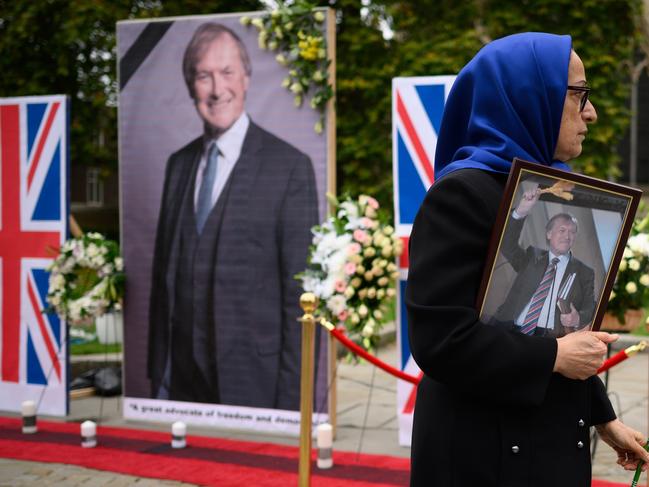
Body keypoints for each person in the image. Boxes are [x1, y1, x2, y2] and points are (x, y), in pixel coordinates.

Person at [406, 33, 649, 486]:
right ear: (528, 96)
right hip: (482, 454)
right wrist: (555, 355)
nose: (591, 112)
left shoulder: (555, 187)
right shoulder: (461, 194)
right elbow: (440, 339)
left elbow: (546, 332)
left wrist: (602, 418)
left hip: (546, 439)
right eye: (580, 94)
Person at [147, 22, 318, 410]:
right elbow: (163, 279)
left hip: (254, 382)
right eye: (203, 75)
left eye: (226, 72)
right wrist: (157, 372)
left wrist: (296, 400)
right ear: (191, 85)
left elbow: (301, 295)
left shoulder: (290, 166)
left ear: (246, 78)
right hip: (179, 383)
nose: (216, 88)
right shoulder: (178, 164)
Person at [492, 193, 596, 337]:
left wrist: (578, 318)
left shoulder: (585, 272)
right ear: (549, 234)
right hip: (510, 329)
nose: (567, 236)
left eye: (572, 232)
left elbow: (590, 306)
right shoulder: (531, 256)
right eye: (562, 230)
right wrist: (520, 211)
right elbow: (507, 244)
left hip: (550, 338)